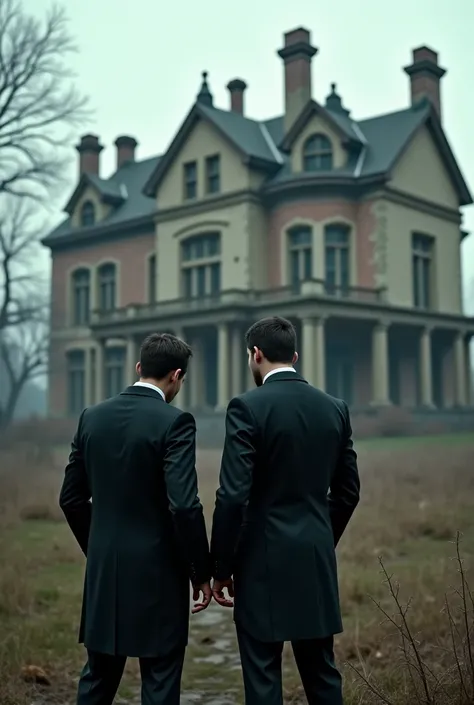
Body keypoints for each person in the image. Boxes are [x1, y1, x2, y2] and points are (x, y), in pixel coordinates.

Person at [211, 316, 360, 705]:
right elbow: (348, 492)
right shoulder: (335, 408)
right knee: (322, 675)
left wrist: (222, 567)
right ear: (294, 356)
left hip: (261, 563)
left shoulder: (246, 407)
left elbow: (231, 496)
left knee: (262, 677)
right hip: (314, 557)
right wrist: (320, 536)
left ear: (255, 354)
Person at [59, 333, 211, 705]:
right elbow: (184, 506)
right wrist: (200, 571)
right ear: (176, 376)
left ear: (139, 368)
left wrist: (98, 546)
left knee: (97, 679)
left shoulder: (91, 417)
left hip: (106, 570)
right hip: (158, 575)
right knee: (160, 680)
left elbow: (71, 498)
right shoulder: (175, 423)